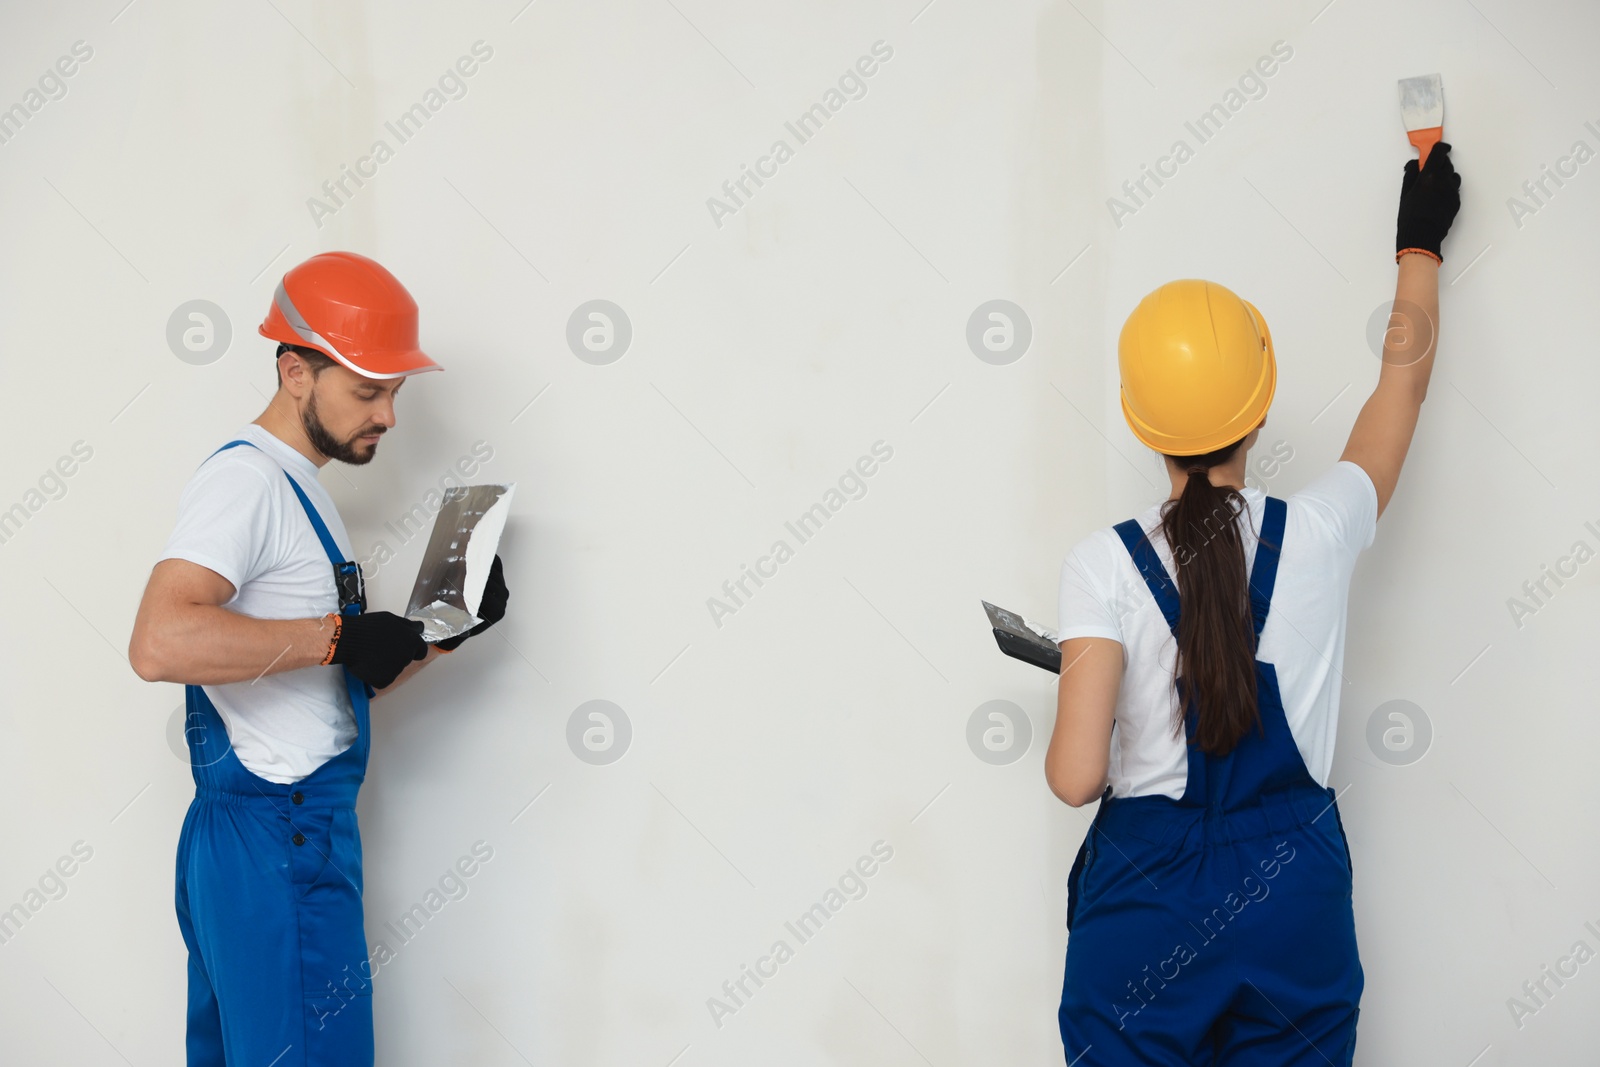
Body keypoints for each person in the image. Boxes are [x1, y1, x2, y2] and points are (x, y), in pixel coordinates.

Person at [1045, 144, 1461, 1063]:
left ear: (1138, 418)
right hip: (1290, 900)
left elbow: (1077, 778)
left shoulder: (1101, 566)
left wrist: (1097, 699)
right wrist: (1418, 247)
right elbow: (1404, 383)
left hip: (1144, 907)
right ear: (1261, 403)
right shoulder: (1319, 531)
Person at [128, 250, 511, 1066]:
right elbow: (160, 642)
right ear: (295, 370)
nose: (389, 416)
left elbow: (333, 687)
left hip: (272, 838)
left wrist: (443, 631)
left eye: (395, 392)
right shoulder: (248, 485)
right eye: (367, 391)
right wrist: (338, 635)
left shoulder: (303, 492)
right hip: (277, 840)